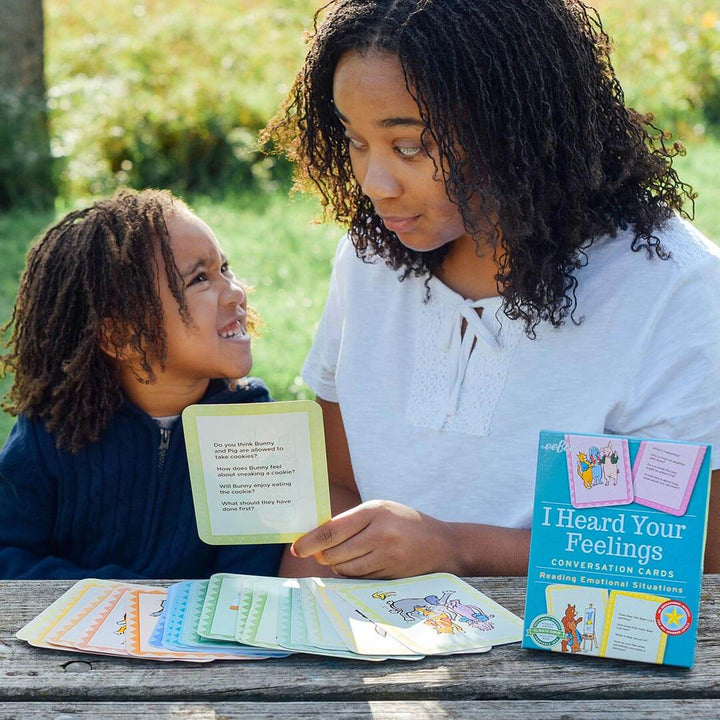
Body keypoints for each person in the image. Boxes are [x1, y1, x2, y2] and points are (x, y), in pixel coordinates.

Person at [265, 0, 720, 578]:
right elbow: (339, 483)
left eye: (409, 147)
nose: (375, 184)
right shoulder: (369, 255)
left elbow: (695, 549)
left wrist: (456, 550)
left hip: (568, 659)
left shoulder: (670, 287)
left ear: (515, 127)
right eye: (355, 141)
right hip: (377, 648)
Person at [0, 188, 284, 579]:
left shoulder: (252, 426)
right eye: (200, 279)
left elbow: (252, 572)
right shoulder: (50, 432)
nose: (235, 292)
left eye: (225, 269)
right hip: (69, 635)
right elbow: (9, 555)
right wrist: (119, 597)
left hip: (202, 637)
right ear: (121, 336)